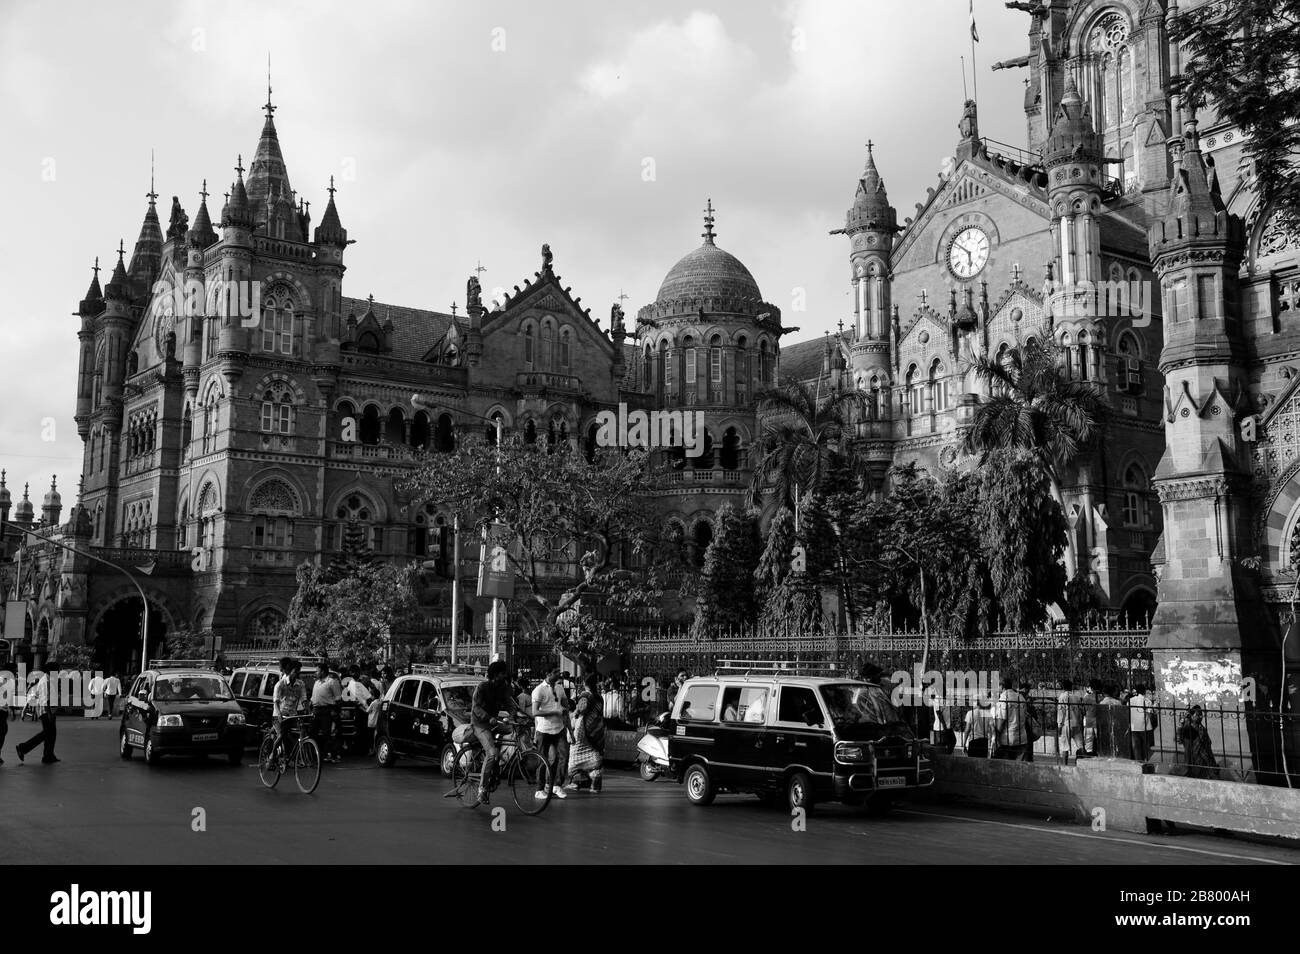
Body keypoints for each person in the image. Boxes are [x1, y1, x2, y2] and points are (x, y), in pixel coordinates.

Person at [469, 660, 526, 806]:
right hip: (480, 724)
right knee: (492, 753)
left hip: (495, 722)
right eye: (502, 673)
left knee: (518, 729)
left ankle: (504, 760)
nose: (504, 675)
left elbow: (510, 703)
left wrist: (512, 716)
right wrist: (489, 718)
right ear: (495, 674)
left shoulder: (504, 687)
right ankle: (482, 789)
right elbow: (476, 708)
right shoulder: (482, 687)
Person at [530, 669, 569, 801]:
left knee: (563, 756)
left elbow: (565, 706)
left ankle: (556, 785)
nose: (558, 675)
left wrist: (569, 726)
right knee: (543, 759)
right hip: (544, 730)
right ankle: (539, 789)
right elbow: (534, 712)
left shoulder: (560, 688)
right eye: (555, 673)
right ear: (548, 674)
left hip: (559, 728)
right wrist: (553, 712)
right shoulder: (539, 690)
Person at [567, 673, 606, 793]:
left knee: (575, 753)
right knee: (595, 751)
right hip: (597, 728)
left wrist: (573, 715)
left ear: (584, 683)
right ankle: (595, 785)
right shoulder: (599, 697)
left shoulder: (585, 695)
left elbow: (580, 710)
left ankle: (576, 782)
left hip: (583, 728)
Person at [16, 670, 58, 764]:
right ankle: (23, 748)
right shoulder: (45, 680)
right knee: (48, 733)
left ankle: (48, 755)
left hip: (47, 710)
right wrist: (49, 713)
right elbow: (45, 699)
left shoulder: (47, 679)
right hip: (46, 711)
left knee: (51, 734)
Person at [270, 657, 308, 760]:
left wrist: (308, 710)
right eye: (296, 671)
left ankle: (297, 757)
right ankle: (272, 755)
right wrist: (278, 714)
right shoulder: (280, 684)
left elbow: (304, 699)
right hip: (279, 715)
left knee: (302, 731)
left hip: (292, 715)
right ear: (290, 671)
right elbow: (276, 702)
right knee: (282, 735)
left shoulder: (301, 684)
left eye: (298, 671)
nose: (297, 673)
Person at [312, 661, 344, 762]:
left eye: (317, 671)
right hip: (316, 710)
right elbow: (314, 698)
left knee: (327, 734)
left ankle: (330, 754)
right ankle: (316, 753)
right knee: (312, 732)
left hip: (327, 710)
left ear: (323, 672)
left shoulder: (332, 682)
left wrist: (335, 711)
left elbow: (338, 698)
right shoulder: (317, 682)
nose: (316, 673)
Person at [992, 676, 1029, 760]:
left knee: (1006, 767)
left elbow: (1000, 723)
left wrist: (996, 739)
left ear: (1002, 686)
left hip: (1008, 740)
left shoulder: (1003, 699)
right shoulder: (1020, 697)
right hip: (1022, 738)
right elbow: (1025, 716)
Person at [1177, 705, 1219, 779]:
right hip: (1195, 760)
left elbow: (1207, 743)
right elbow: (1181, 738)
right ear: (1192, 716)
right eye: (1198, 714)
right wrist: (1183, 721)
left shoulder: (1201, 727)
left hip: (1206, 759)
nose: (1200, 716)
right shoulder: (1190, 728)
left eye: (1201, 714)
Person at [1056, 679, 1085, 761]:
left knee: (1065, 747)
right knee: (1080, 745)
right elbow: (1080, 711)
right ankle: (1080, 762)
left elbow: (1061, 712)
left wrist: (1059, 725)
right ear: (1071, 687)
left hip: (1066, 724)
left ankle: (1065, 765)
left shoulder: (1062, 697)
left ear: (1063, 687)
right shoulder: (1076, 697)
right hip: (1076, 723)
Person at [1127, 683, 1154, 763]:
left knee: (1136, 747)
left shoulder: (1130, 700)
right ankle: (1146, 761)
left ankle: (1138, 762)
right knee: (1145, 746)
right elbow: (1150, 712)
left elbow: (1128, 712)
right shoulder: (1147, 701)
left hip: (1134, 726)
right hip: (1145, 726)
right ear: (1144, 691)